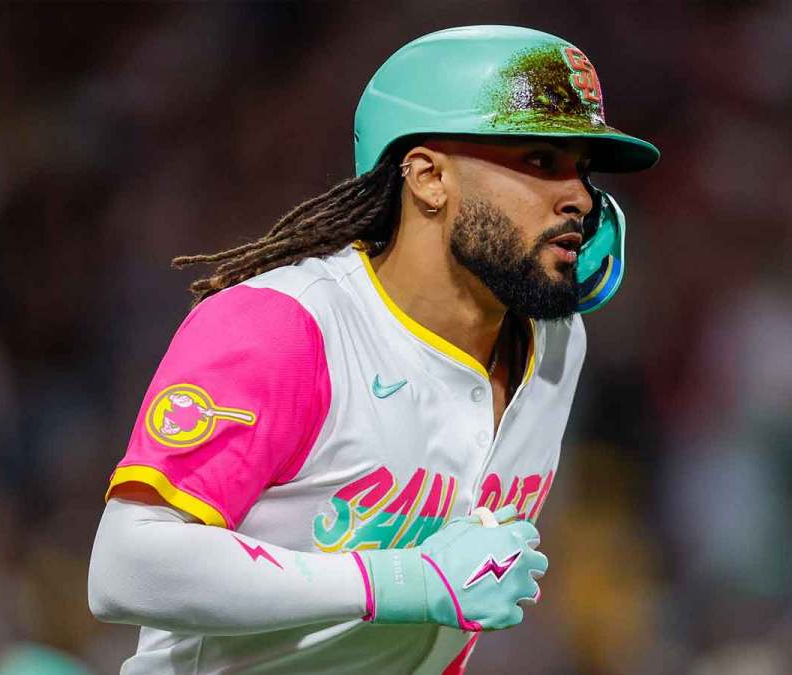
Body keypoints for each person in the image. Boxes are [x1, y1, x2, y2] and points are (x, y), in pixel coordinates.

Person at [87, 24, 658, 674]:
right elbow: (125, 567)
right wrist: (407, 582)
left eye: (582, 170)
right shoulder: (287, 325)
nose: (581, 197)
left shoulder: (558, 343)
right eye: (540, 160)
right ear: (429, 178)